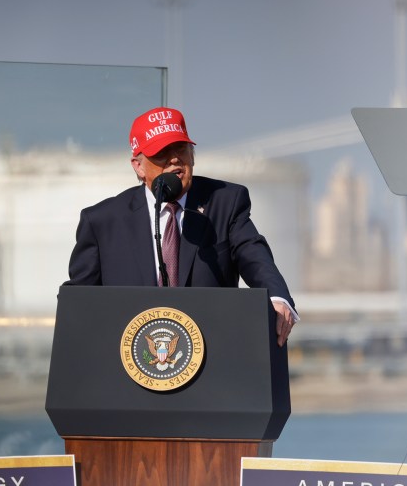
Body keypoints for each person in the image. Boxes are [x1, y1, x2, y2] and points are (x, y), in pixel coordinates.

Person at [65, 106, 298, 346]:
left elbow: (253, 254)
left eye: (180, 148)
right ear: (138, 166)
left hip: (213, 351)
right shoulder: (102, 222)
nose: (175, 158)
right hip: (128, 358)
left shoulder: (226, 202)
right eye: (161, 152)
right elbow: (79, 302)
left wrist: (277, 297)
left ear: (192, 155)